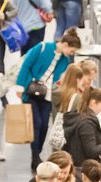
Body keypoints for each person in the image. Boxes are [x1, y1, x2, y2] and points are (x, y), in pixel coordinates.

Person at [17, 33, 79, 170]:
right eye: (72, 50)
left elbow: (59, 78)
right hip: (31, 91)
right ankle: (35, 157)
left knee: (44, 125)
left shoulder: (64, 60)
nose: (71, 54)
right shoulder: (43, 47)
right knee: (37, 123)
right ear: (65, 45)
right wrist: (20, 86)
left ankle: (37, 153)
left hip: (47, 95)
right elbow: (26, 65)